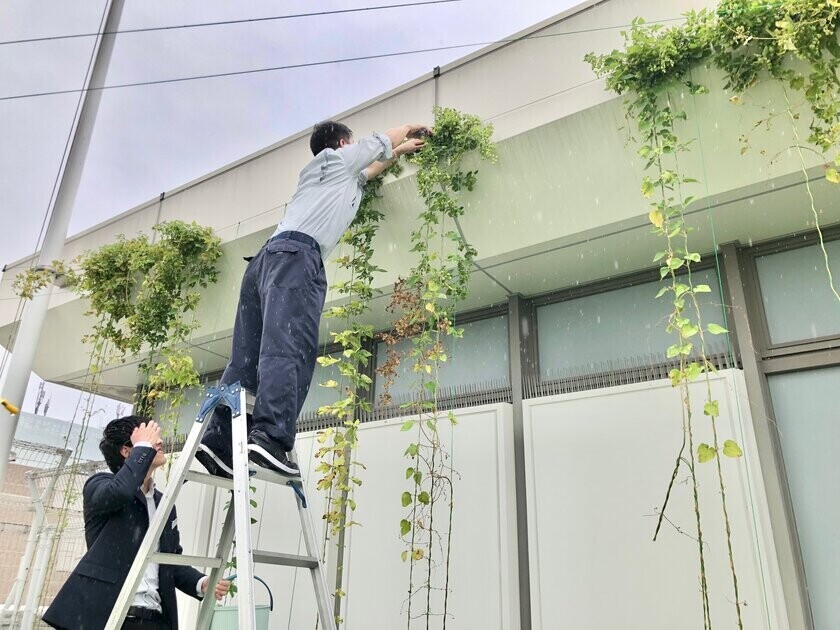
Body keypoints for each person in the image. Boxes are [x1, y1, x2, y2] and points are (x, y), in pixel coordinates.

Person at [197, 121, 430, 478]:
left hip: (263, 263)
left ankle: (218, 444)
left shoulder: (333, 176)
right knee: (288, 348)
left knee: (244, 361)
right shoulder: (336, 160)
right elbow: (378, 142)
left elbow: (371, 168)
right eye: (351, 143)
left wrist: (399, 152)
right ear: (341, 143)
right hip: (297, 257)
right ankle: (270, 439)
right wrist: (411, 128)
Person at [42, 417, 231, 630]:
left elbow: (169, 560)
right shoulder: (99, 485)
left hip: (156, 620)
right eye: (151, 439)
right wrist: (143, 446)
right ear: (127, 451)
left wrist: (200, 582)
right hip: (110, 619)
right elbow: (121, 491)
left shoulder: (162, 502)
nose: (160, 443)